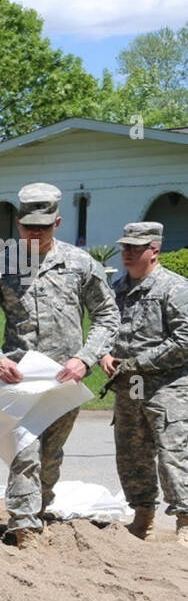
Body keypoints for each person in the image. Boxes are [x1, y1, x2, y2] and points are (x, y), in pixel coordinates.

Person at [0, 182, 119, 547]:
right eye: (28, 227)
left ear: (58, 223)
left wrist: (85, 360)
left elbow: (107, 315)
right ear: (18, 224)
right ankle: (24, 528)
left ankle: (39, 510)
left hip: (65, 381)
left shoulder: (80, 264)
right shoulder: (0, 266)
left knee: (50, 455)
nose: (35, 233)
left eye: (43, 227)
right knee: (25, 452)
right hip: (20, 380)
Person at [100, 221, 188, 545]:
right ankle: (143, 518)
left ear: (155, 250)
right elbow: (106, 327)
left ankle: (185, 522)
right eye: (125, 247)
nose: (127, 253)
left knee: (172, 452)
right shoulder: (118, 287)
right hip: (132, 384)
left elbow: (185, 338)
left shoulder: (174, 288)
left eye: (136, 248)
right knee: (132, 449)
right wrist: (104, 354)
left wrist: (140, 362)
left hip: (168, 384)